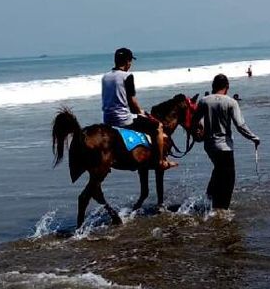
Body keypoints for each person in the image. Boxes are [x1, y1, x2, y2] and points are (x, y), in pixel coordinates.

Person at [101, 47, 177, 170]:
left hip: (107, 118)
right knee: (158, 127)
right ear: (127, 62)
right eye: (130, 61)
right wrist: (141, 112)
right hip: (123, 119)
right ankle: (160, 162)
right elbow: (132, 101)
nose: (130, 64)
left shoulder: (105, 77)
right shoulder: (127, 76)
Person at [193, 74, 259, 210]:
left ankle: (209, 199)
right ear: (227, 87)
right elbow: (240, 125)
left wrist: (199, 132)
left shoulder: (204, 101)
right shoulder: (230, 102)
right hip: (224, 147)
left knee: (218, 171)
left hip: (209, 146)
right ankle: (221, 210)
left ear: (213, 86)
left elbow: (195, 121)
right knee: (229, 180)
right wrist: (253, 137)